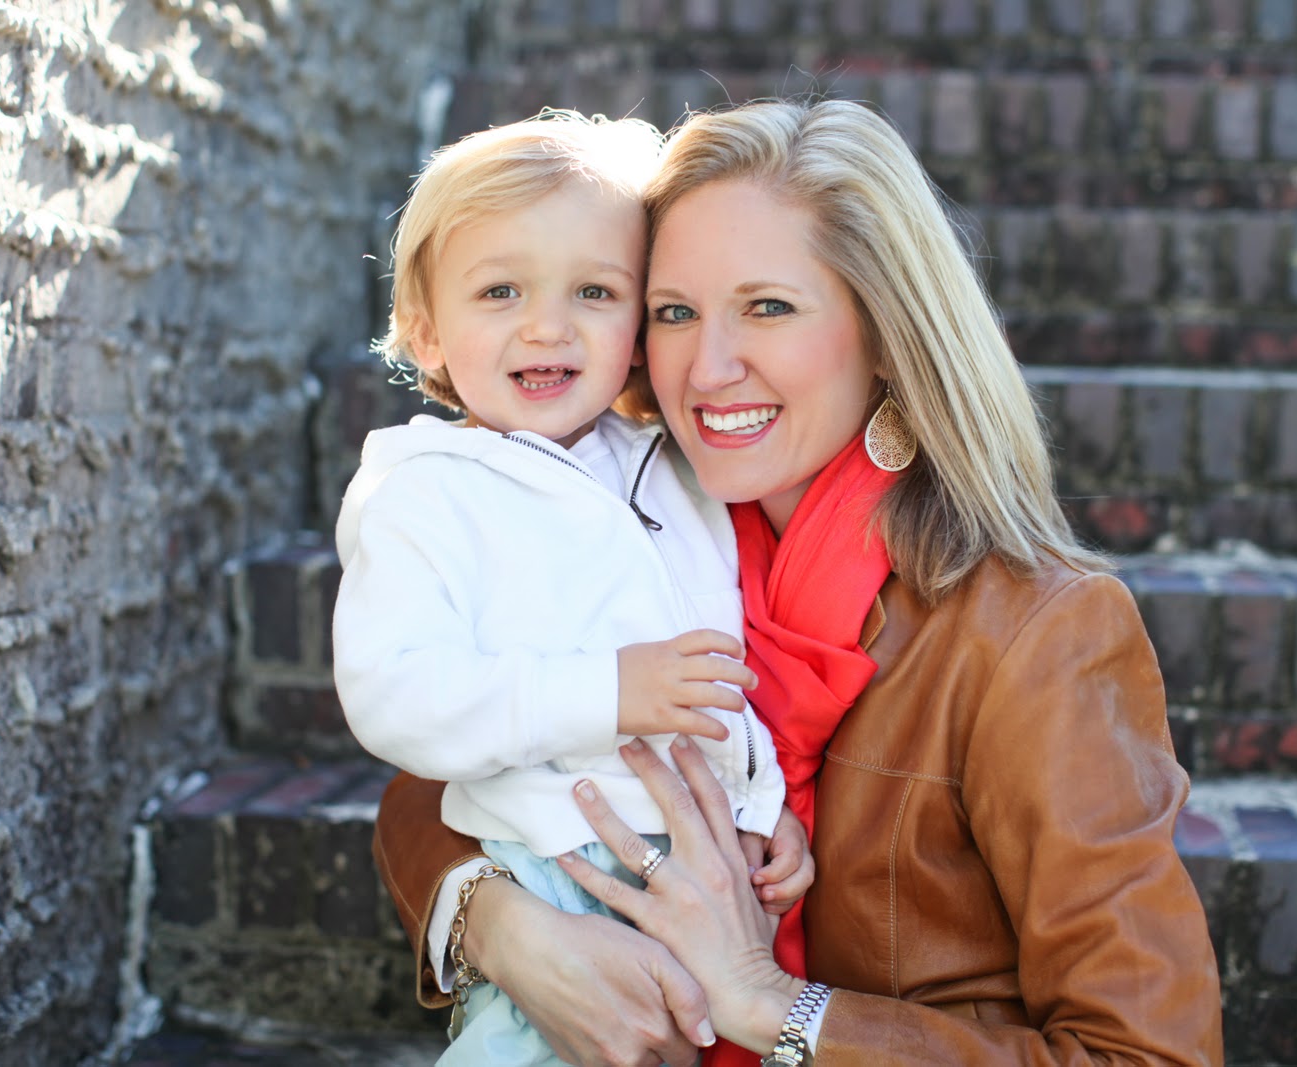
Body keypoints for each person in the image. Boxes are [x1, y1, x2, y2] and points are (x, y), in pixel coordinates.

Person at [372, 98, 1225, 1066]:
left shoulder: (1037, 633)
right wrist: (503, 926)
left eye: (768, 307)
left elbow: (1147, 1053)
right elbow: (438, 763)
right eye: (675, 312)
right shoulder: (637, 527)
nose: (709, 368)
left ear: (887, 333)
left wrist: (774, 1004)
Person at [331, 110, 812, 1066]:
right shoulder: (426, 490)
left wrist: (760, 807)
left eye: (594, 290)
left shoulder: (676, 468)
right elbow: (395, 695)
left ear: (637, 328)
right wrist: (605, 690)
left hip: (705, 874)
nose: (548, 325)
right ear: (426, 331)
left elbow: (716, 656)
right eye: (500, 290)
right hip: (552, 867)